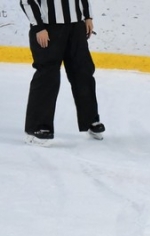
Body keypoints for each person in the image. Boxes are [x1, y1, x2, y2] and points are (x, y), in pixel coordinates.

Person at [20, 0, 105, 145]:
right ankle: (37, 127)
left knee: (83, 72)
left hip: (76, 27)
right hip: (48, 27)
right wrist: (39, 26)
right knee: (48, 76)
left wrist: (87, 17)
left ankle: (90, 119)